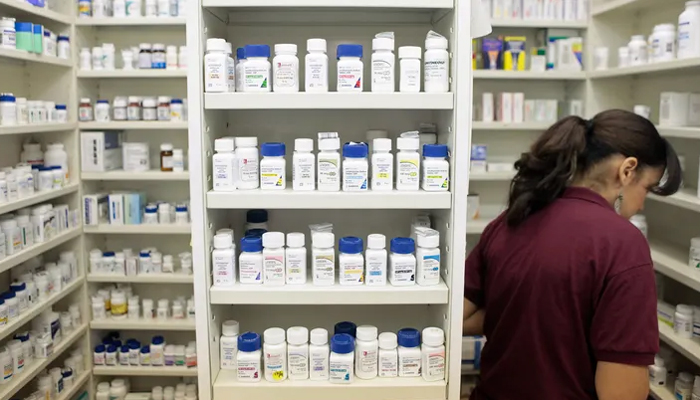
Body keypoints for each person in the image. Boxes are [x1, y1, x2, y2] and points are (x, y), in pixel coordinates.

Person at [462, 110, 682, 400]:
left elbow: (457, 317)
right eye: (647, 189)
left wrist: (526, 310)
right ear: (627, 170)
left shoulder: (509, 220)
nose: (641, 205)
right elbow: (620, 395)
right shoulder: (623, 243)